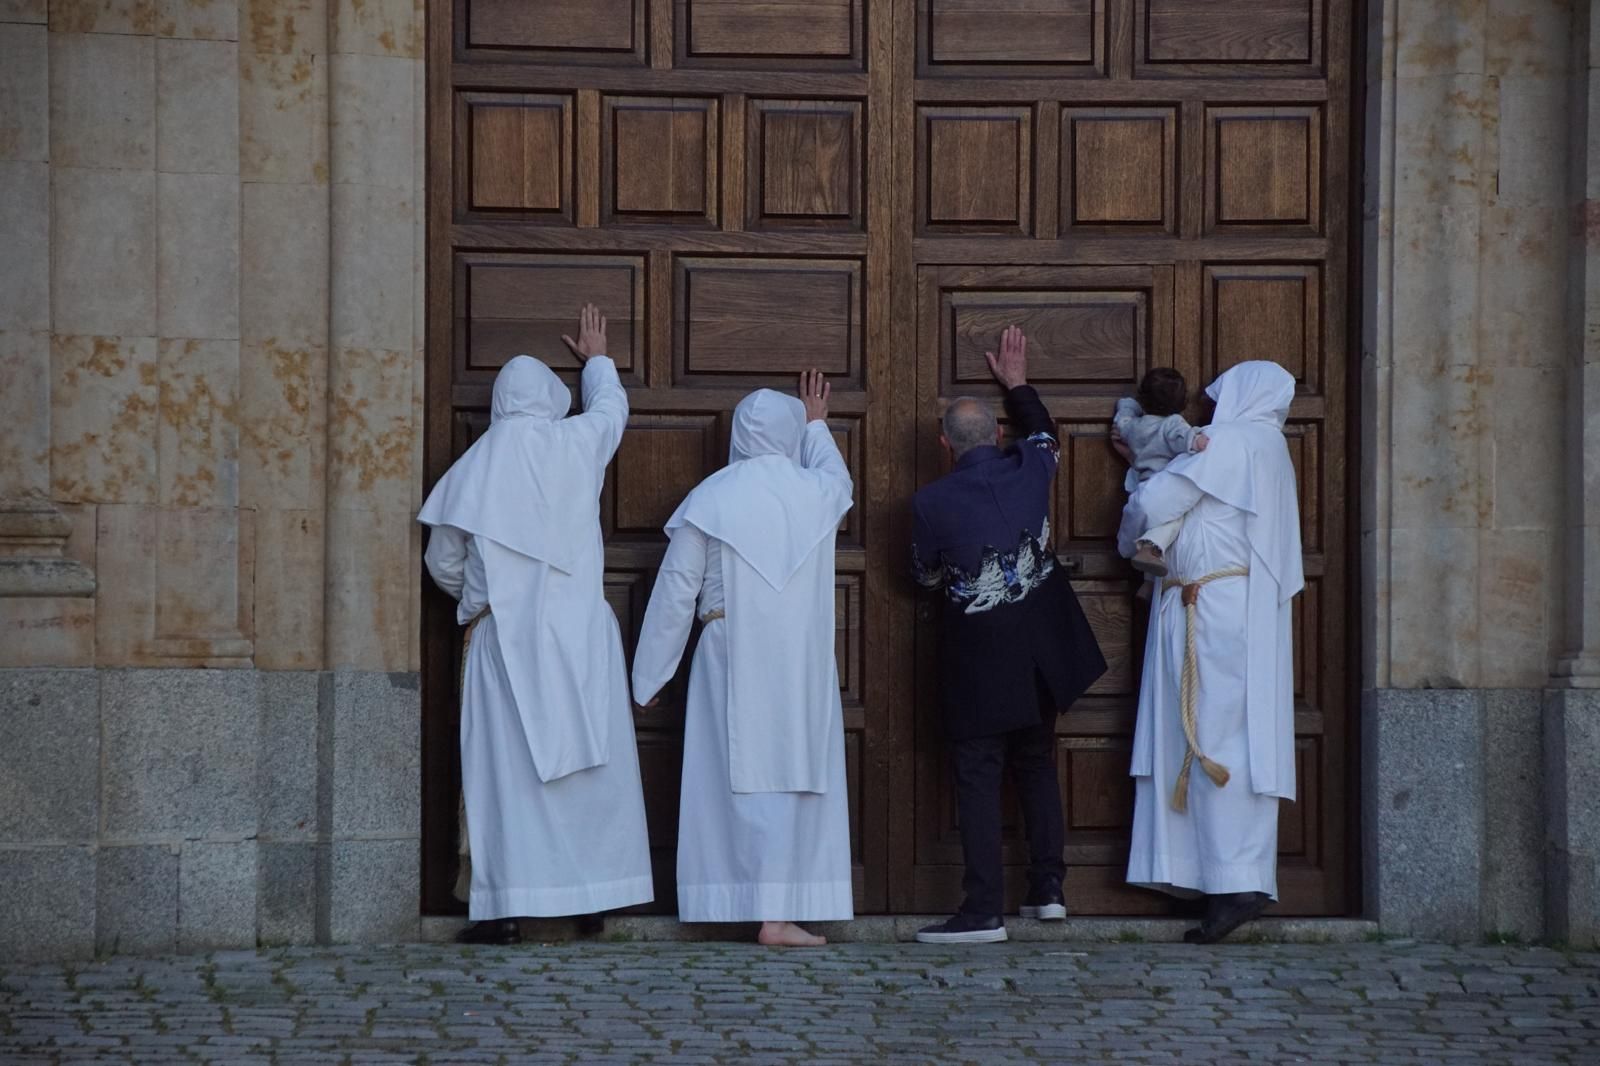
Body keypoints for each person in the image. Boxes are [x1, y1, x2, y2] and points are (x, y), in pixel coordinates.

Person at [419, 304, 654, 945]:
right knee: (589, 772)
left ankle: (506, 910)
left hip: (503, 636)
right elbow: (611, 411)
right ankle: (593, 902)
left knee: (507, 773)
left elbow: (443, 562)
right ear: (551, 399)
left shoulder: (472, 468)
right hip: (581, 629)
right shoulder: (576, 442)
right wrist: (598, 358)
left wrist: (489, 594)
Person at [631, 371, 854, 948]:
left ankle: (739, 902)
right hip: (799, 659)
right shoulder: (817, 492)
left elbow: (676, 591)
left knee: (734, 781)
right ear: (788, 435)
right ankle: (778, 915)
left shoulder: (712, 497)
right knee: (790, 782)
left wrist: (650, 675)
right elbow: (838, 475)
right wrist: (817, 423)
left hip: (728, 652)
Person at [909, 326, 1107, 945]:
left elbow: (924, 575)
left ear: (945, 443)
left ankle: (982, 911)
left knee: (977, 773)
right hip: (1043, 655)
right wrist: (1018, 386)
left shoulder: (929, 502)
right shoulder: (1031, 466)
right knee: (1036, 764)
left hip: (980, 660)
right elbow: (1046, 431)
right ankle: (1048, 891)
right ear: (997, 435)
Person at [1113, 360, 1303, 945]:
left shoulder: (1233, 440)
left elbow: (1159, 501)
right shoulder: (1270, 448)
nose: (1210, 410)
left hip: (1212, 613)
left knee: (1211, 738)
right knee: (1224, 737)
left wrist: (1136, 484)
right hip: (1230, 608)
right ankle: (1214, 877)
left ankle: (1233, 887)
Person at [1113, 367, 1209, 578]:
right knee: (1171, 522)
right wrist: (1197, 439)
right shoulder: (1172, 423)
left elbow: (1122, 422)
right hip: (1163, 485)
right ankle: (1149, 550)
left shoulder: (1135, 426)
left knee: (1148, 526)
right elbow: (1182, 436)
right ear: (1182, 402)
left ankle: (1148, 584)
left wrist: (1127, 405)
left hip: (1141, 482)